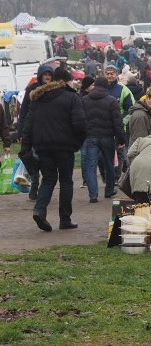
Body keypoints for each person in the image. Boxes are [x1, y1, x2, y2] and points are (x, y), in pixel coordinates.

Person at [20, 67, 87, 231]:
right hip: (65, 147)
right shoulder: (72, 97)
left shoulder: (37, 98)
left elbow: (28, 125)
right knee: (66, 181)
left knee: (48, 179)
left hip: (42, 147)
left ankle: (39, 210)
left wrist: (25, 148)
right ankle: (65, 219)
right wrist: (77, 142)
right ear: (64, 81)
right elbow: (80, 124)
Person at [81, 77, 126, 203]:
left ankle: (93, 195)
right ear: (106, 86)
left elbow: (82, 119)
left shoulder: (85, 100)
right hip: (107, 137)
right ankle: (109, 190)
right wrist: (121, 139)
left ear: (95, 86)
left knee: (91, 166)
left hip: (90, 137)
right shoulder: (111, 101)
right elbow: (117, 122)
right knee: (109, 164)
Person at [17, 64, 54, 200]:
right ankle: (34, 184)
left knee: (45, 161)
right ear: (40, 75)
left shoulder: (53, 89)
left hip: (48, 131)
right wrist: (20, 132)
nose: (47, 77)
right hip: (32, 130)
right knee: (30, 158)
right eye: (45, 75)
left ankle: (41, 189)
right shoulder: (32, 89)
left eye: (49, 75)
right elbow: (24, 111)